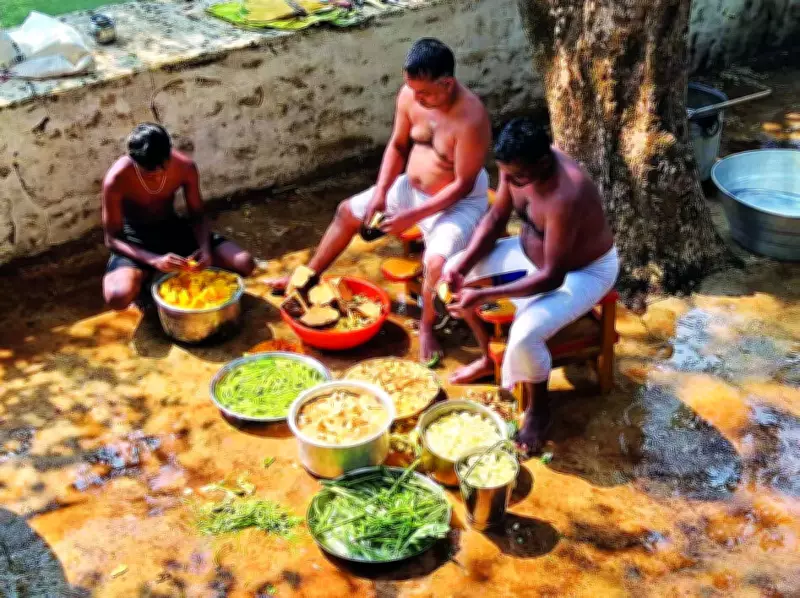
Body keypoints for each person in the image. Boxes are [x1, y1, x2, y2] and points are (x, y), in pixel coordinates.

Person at [271, 38, 491, 364]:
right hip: (411, 189)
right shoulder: (410, 96)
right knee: (347, 212)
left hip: (457, 203)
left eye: (425, 93)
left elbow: (461, 185)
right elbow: (398, 146)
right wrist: (380, 193)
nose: (416, 99)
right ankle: (307, 276)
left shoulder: (472, 118)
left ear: (447, 83)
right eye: (412, 90)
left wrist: (410, 216)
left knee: (434, 262)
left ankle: (428, 325)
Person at [441, 117, 619, 453]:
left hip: (583, 272)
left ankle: (539, 410)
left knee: (525, 333)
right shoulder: (516, 167)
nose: (508, 180)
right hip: (527, 252)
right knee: (452, 268)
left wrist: (483, 294)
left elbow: (553, 275)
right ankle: (486, 358)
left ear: (542, 162)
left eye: (515, 176)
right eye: (504, 173)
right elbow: (495, 219)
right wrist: (462, 268)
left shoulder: (568, 192)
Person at [102, 123, 255, 310]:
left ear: (169, 154)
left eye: (161, 171)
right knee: (118, 297)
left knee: (244, 263)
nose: (157, 178)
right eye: (148, 174)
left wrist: (205, 249)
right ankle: (147, 277)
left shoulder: (185, 166)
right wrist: (153, 260)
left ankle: (164, 275)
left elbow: (198, 215)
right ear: (134, 161)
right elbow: (112, 239)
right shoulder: (117, 178)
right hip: (137, 238)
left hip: (173, 230)